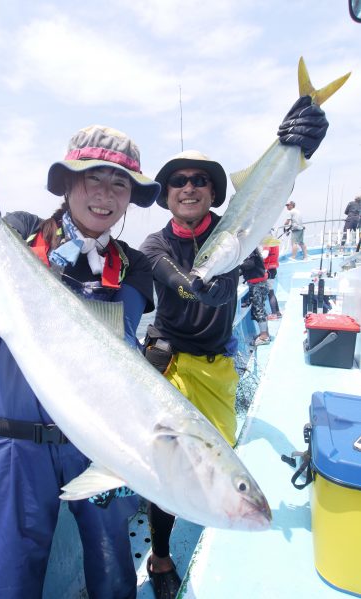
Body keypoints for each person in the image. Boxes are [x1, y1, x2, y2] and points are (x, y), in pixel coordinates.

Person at [0, 125, 160, 599]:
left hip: (100, 444)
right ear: (67, 183)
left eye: (120, 184)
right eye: (93, 177)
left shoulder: (134, 264)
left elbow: (115, 336)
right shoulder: (20, 231)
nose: (105, 194)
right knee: (2, 583)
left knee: (114, 573)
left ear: (130, 197)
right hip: (14, 444)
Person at [139, 94, 328, 599]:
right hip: (169, 363)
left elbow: (251, 258)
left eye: (200, 180)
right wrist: (218, 279)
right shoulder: (154, 245)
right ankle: (159, 556)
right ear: (167, 194)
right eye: (178, 180)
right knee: (172, 466)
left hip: (218, 364)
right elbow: (185, 282)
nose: (189, 187)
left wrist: (297, 150)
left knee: (220, 456)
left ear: (214, 192)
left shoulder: (236, 231)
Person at [240, 248, 271, 345]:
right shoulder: (252, 248)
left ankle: (264, 337)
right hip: (260, 282)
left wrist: (236, 266)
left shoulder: (250, 250)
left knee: (259, 310)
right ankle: (265, 333)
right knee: (261, 309)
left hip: (257, 284)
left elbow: (250, 264)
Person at [262, 239, 282, 320]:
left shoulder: (267, 243)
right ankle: (277, 312)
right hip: (273, 269)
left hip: (268, 269)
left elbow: (264, 255)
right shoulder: (274, 242)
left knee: (270, 292)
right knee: (271, 291)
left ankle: (274, 314)